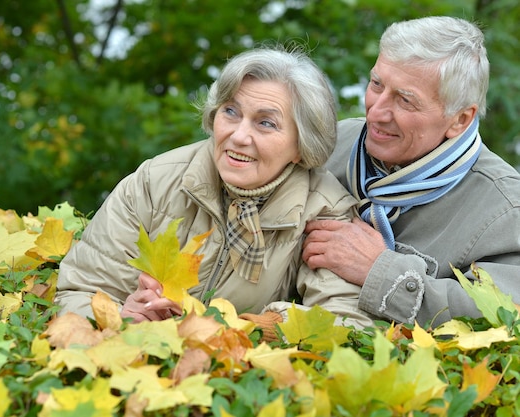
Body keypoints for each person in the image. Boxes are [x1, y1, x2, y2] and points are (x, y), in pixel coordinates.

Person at [55, 43, 374, 335]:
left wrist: (241, 329)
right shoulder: (156, 182)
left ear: (301, 147)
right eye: (231, 112)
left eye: (265, 123)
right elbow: (79, 289)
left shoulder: (324, 209)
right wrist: (121, 320)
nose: (238, 136)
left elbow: (346, 324)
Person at [303, 16, 520, 328]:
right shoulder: (327, 146)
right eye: (376, 84)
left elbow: (509, 316)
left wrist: (382, 271)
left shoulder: (506, 210)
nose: (375, 112)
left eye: (405, 100)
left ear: (459, 119)